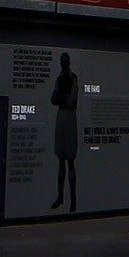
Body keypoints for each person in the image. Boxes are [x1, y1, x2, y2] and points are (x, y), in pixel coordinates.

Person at [50, 52, 81, 211]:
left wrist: (61, 97)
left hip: (69, 117)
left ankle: (73, 199)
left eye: (66, 61)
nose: (64, 63)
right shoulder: (60, 78)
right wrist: (64, 97)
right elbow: (53, 99)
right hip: (62, 117)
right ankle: (61, 196)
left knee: (70, 160)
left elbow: (70, 100)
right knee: (61, 159)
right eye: (62, 61)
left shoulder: (73, 78)